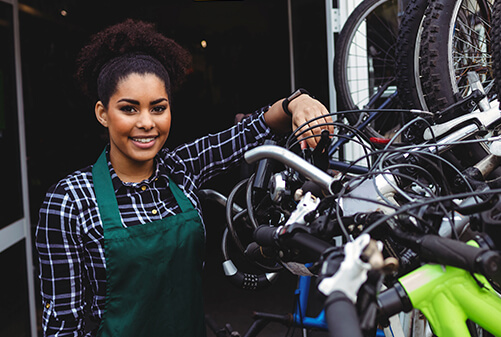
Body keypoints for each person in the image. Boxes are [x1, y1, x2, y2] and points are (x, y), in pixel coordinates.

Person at [35, 18, 332, 337]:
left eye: (158, 108)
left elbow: (253, 129)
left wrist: (298, 103)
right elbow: (62, 328)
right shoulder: (69, 201)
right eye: (129, 109)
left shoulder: (181, 168)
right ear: (102, 113)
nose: (147, 122)